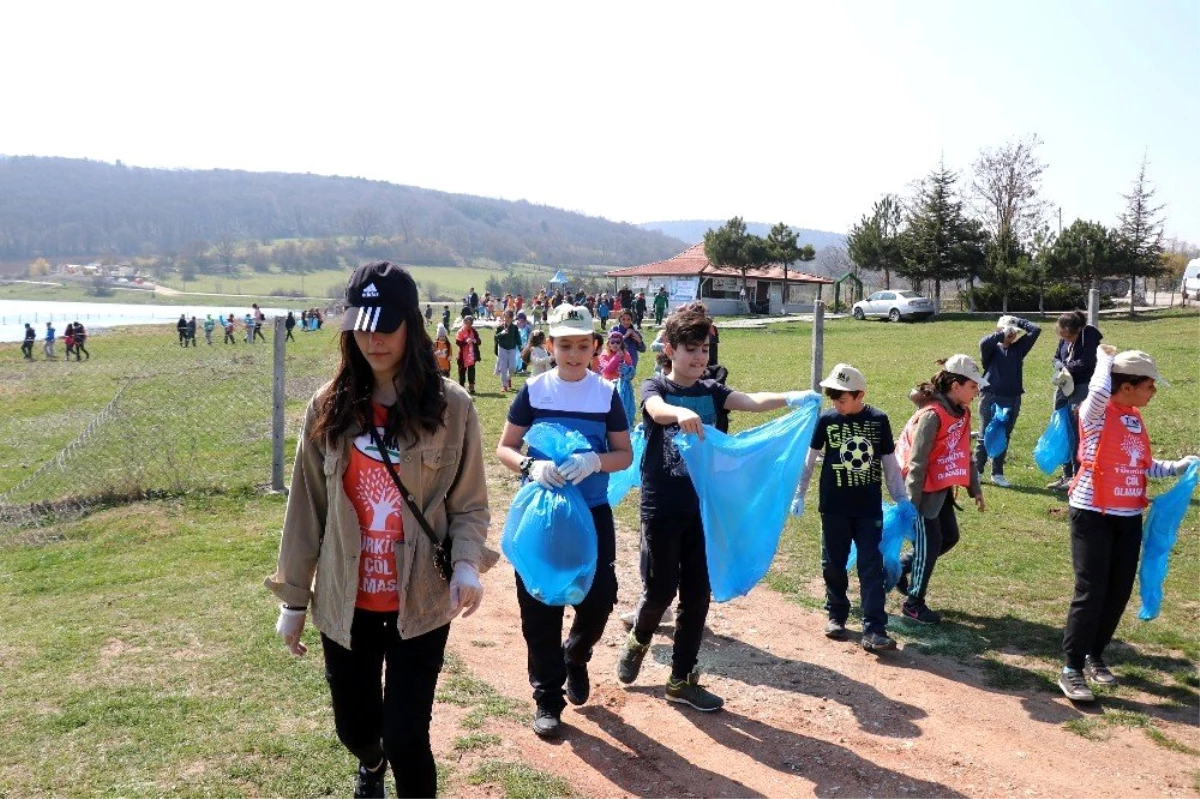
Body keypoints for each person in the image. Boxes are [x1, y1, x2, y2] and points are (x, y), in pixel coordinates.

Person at [266, 261, 495, 798]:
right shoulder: (328, 407)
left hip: (420, 603)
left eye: (386, 325)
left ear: (411, 325)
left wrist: (466, 565)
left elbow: (469, 505)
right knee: (355, 728)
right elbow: (306, 508)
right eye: (362, 326)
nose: (373, 339)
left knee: (408, 737)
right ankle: (370, 765)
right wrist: (294, 601)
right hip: (346, 603)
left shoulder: (453, 407)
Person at [616, 304, 807, 712]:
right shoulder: (656, 388)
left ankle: (681, 678)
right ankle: (640, 639)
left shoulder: (713, 391)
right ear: (669, 349)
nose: (699, 358)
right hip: (663, 506)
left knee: (697, 593)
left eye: (704, 350)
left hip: (706, 509)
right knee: (661, 589)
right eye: (691, 350)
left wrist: (791, 398)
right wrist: (680, 412)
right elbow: (655, 412)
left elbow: (751, 401)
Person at [496, 303, 633, 739]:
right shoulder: (534, 391)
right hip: (540, 517)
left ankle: (575, 654)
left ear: (594, 346)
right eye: (564, 345)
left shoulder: (605, 395)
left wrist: (595, 461)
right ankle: (548, 699)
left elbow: (624, 455)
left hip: (592, 514)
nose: (573, 354)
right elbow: (505, 448)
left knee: (598, 599)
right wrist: (529, 468)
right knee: (538, 605)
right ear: (549, 345)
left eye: (582, 345)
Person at [1056, 346, 1198, 702]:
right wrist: (1105, 358)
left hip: (1128, 515)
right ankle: (1071, 667)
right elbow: (1101, 389)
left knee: (1118, 590)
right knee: (1091, 590)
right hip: (1092, 513)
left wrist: (1179, 465)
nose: (1154, 392)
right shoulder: (1095, 414)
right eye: (1150, 385)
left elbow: (1142, 464)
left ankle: (1095, 654)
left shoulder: (1134, 416)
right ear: (1129, 385)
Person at [796, 364, 908, 651]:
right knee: (833, 563)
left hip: (868, 509)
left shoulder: (879, 420)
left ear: (860, 395)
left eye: (842, 399)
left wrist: (902, 498)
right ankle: (837, 615)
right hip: (834, 507)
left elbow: (889, 464)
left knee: (872, 565)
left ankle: (874, 628)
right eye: (833, 398)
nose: (836, 403)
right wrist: (800, 493)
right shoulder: (826, 421)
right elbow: (808, 462)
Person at [894, 355, 987, 625]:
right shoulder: (932, 415)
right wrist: (911, 502)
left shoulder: (963, 412)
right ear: (955, 385)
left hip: (941, 487)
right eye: (972, 386)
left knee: (949, 537)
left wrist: (975, 488)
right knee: (930, 543)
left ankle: (899, 567)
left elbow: (963, 453)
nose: (976, 391)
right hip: (921, 490)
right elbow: (917, 461)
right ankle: (913, 603)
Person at [974, 315, 1041, 487]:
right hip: (990, 395)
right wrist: (1000, 333)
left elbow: (1036, 330)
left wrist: (1017, 322)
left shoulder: (1018, 349)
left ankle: (997, 473)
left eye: (1014, 333)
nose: (1012, 335)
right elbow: (983, 342)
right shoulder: (991, 349)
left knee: (1004, 434)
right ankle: (978, 471)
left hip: (1012, 397)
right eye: (1008, 332)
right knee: (984, 434)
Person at [1049, 310, 1102, 490]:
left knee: (1077, 430)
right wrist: (1058, 363)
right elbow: (1057, 355)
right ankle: (1066, 474)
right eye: (1063, 336)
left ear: (1079, 329)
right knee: (1062, 427)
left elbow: (1086, 362)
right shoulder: (1065, 337)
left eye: (1069, 336)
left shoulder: (1089, 337)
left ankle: (1077, 475)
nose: (1067, 340)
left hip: (1081, 387)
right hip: (1064, 386)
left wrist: (1066, 367)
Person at [493, 309, 521, 393]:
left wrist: (520, 346)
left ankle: (509, 378)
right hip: (502, 348)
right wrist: (501, 333)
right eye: (505, 317)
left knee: (512, 367)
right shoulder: (500, 327)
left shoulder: (515, 327)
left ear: (512, 318)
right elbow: (496, 337)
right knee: (503, 367)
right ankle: (504, 385)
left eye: (508, 317)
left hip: (512, 348)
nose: (506, 319)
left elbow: (517, 338)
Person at [455, 315, 481, 396]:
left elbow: (479, 341)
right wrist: (466, 342)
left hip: (471, 356)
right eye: (467, 323)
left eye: (470, 324)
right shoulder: (460, 331)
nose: (469, 325)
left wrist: (475, 340)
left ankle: (471, 387)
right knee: (462, 371)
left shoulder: (474, 331)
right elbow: (458, 342)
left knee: (471, 372)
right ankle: (462, 387)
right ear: (464, 323)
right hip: (462, 356)